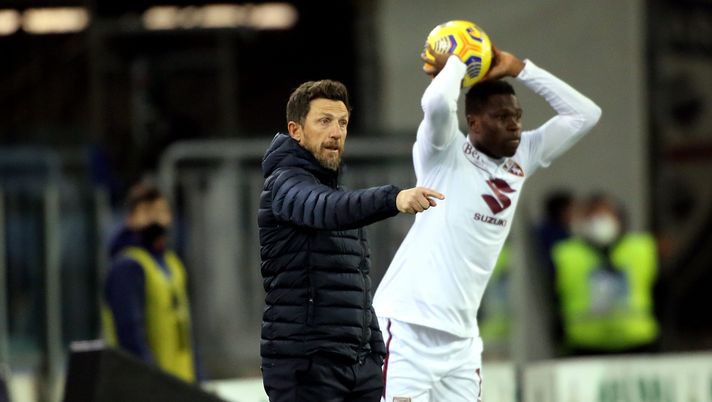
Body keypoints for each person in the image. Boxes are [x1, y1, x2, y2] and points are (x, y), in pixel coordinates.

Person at [373, 43, 602, 401]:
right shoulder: (443, 153)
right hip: (407, 326)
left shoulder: (524, 154)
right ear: (474, 122)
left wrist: (522, 69)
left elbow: (586, 114)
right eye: (502, 117)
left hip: (461, 340)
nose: (514, 125)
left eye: (518, 116)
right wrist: (456, 66)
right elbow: (436, 104)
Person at [258, 79, 444, 402]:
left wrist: (375, 352)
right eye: (324, 121)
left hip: (358, 367)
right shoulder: (283, 185)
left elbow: (357, 283)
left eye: (342, 122)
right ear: (296, 130)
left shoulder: (339, 198)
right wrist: (393, 199)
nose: (336, 132)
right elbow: (324, 210)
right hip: (306, 365)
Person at [102, 182, 197, 382]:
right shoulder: (128, 266)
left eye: (160, 211)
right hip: (150, 387)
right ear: (131, 218)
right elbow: (130, 335)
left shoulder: (173, 263)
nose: (155, 218)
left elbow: (186, 330)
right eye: (147, 211)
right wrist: (152, 383)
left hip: (180, 382)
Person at [552, 193, 659, 355]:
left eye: (605, 214)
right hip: (584, 346)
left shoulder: (641, 248)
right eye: (593, 214)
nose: (600, 220)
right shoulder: (566, 254)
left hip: (638, 344)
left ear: (619, 218)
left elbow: (661, 291)